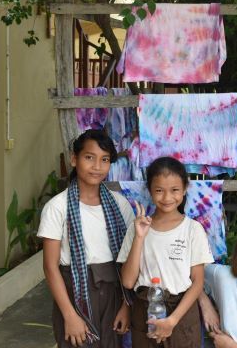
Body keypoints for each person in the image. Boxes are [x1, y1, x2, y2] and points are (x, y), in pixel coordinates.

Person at [38, 129, 134, 347]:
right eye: (89, 157)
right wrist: (70, 316)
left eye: (105, 160)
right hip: (74, 291)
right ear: (74, 159)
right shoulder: (57, 207)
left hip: (114, 290)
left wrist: (126, 306)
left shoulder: (120, 205)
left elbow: (131, 259)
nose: (97, 166)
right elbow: (50, 268)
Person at [117, 157, 214, 347]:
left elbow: (198, 282)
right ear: (150, 191)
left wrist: (172, 320)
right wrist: (139, 237)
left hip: (182, 313)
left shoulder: (193, 229)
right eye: (159, 190)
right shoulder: (137, 229)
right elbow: (128, 282)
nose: (167, 198)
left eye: (175, 190)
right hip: (145, 312)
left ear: (185, 189)